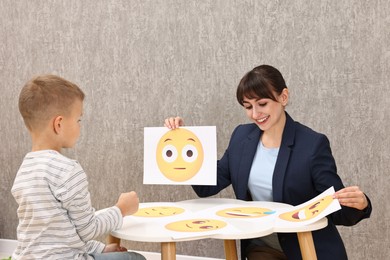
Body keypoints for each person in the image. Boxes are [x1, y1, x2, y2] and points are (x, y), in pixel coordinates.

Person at [164, 65, 372, 260]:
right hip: (262, 248)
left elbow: (336, 207)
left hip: (306, 247)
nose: (255, 114)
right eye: (248, 107)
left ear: (283, 97)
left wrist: (361, 204)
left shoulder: (312, 144)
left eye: (262, 104)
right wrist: (184, 141)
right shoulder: (241, 137)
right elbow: (207, 186)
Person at [12, 75, 145, 260]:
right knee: (135, 258)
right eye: (78, 120)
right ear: (59, 124)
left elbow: (57, 231)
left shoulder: (25, 169)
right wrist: (121, 209)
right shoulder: (67, 170)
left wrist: (99, 249)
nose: (80, 126)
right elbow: (88, 229)